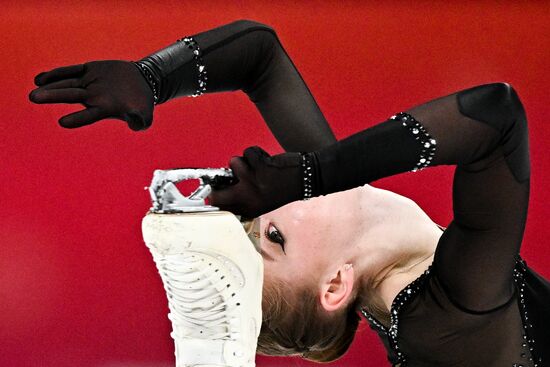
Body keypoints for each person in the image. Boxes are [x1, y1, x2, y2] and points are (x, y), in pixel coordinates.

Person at [29, 19, 549, 367]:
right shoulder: (442, 324)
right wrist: (312, 176)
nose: (271, 204)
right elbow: (494, 118)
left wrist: (153, 75)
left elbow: (259, 54)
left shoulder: (336, 213)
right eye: (274, 236)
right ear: (335, 286)